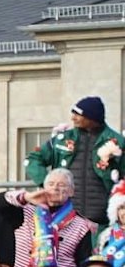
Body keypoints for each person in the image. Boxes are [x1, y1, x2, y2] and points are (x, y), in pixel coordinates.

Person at [25, 95, 125, 226]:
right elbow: (33, 159)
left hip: (102, 221)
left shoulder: (118, 142)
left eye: (78, 114)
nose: (73, 118)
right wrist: (48, 183)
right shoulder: (62, 139)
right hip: (65, 218)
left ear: (92, 117)